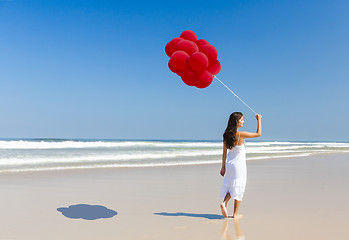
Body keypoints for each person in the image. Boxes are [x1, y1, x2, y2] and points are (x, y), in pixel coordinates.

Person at [220, 112, 262, 219]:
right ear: (236, 122)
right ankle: (235, 214)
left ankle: (224, 203)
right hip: (239, 166)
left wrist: (223, 167)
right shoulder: (241, 134)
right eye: (241, 120)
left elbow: (224, 153)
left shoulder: (226, 135)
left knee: (232, 185)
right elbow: (258, 133)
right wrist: (259, 120)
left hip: (229, 165)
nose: (243, 121)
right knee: (239, 187)